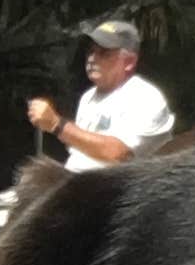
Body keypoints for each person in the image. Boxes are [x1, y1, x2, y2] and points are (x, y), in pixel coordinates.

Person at [28, 15, 174, 168]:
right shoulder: (88, 97)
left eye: (104, 53)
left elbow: (119, 154)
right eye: (90, 51)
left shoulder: (145, 97)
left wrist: (57, 124)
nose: (92, 59)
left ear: (129, 62)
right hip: (76, 181)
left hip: (116, 188)